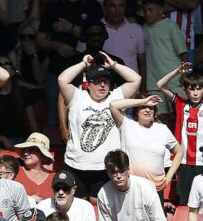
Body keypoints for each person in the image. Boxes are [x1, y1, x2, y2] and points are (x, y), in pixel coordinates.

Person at [56, 53, 142, 195]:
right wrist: (84, 64)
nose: (102, 85)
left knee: (100, 203)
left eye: (105, 81)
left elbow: (136, 79)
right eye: (97, 81)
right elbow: (62, 79)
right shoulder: (77, 97)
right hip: (76, 165)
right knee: (78, 203)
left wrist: (114, 65)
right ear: (88, 84)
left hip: (106, 168)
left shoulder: (116, 97)